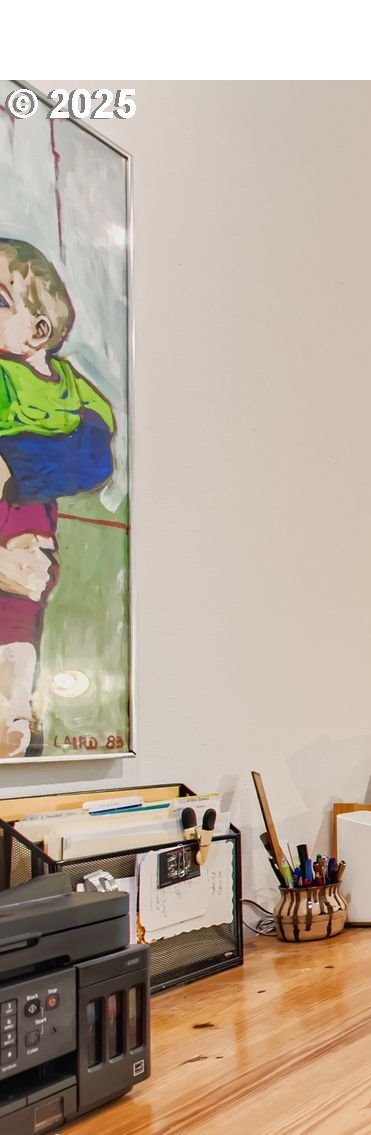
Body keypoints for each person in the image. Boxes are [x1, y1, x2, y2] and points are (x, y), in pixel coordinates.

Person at [0, 238, 117, 756]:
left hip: (27, 519)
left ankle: (15, 714)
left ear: (38, 331)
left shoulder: (56, 380)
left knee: (19, 622)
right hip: (19, 505)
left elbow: (101, 440)